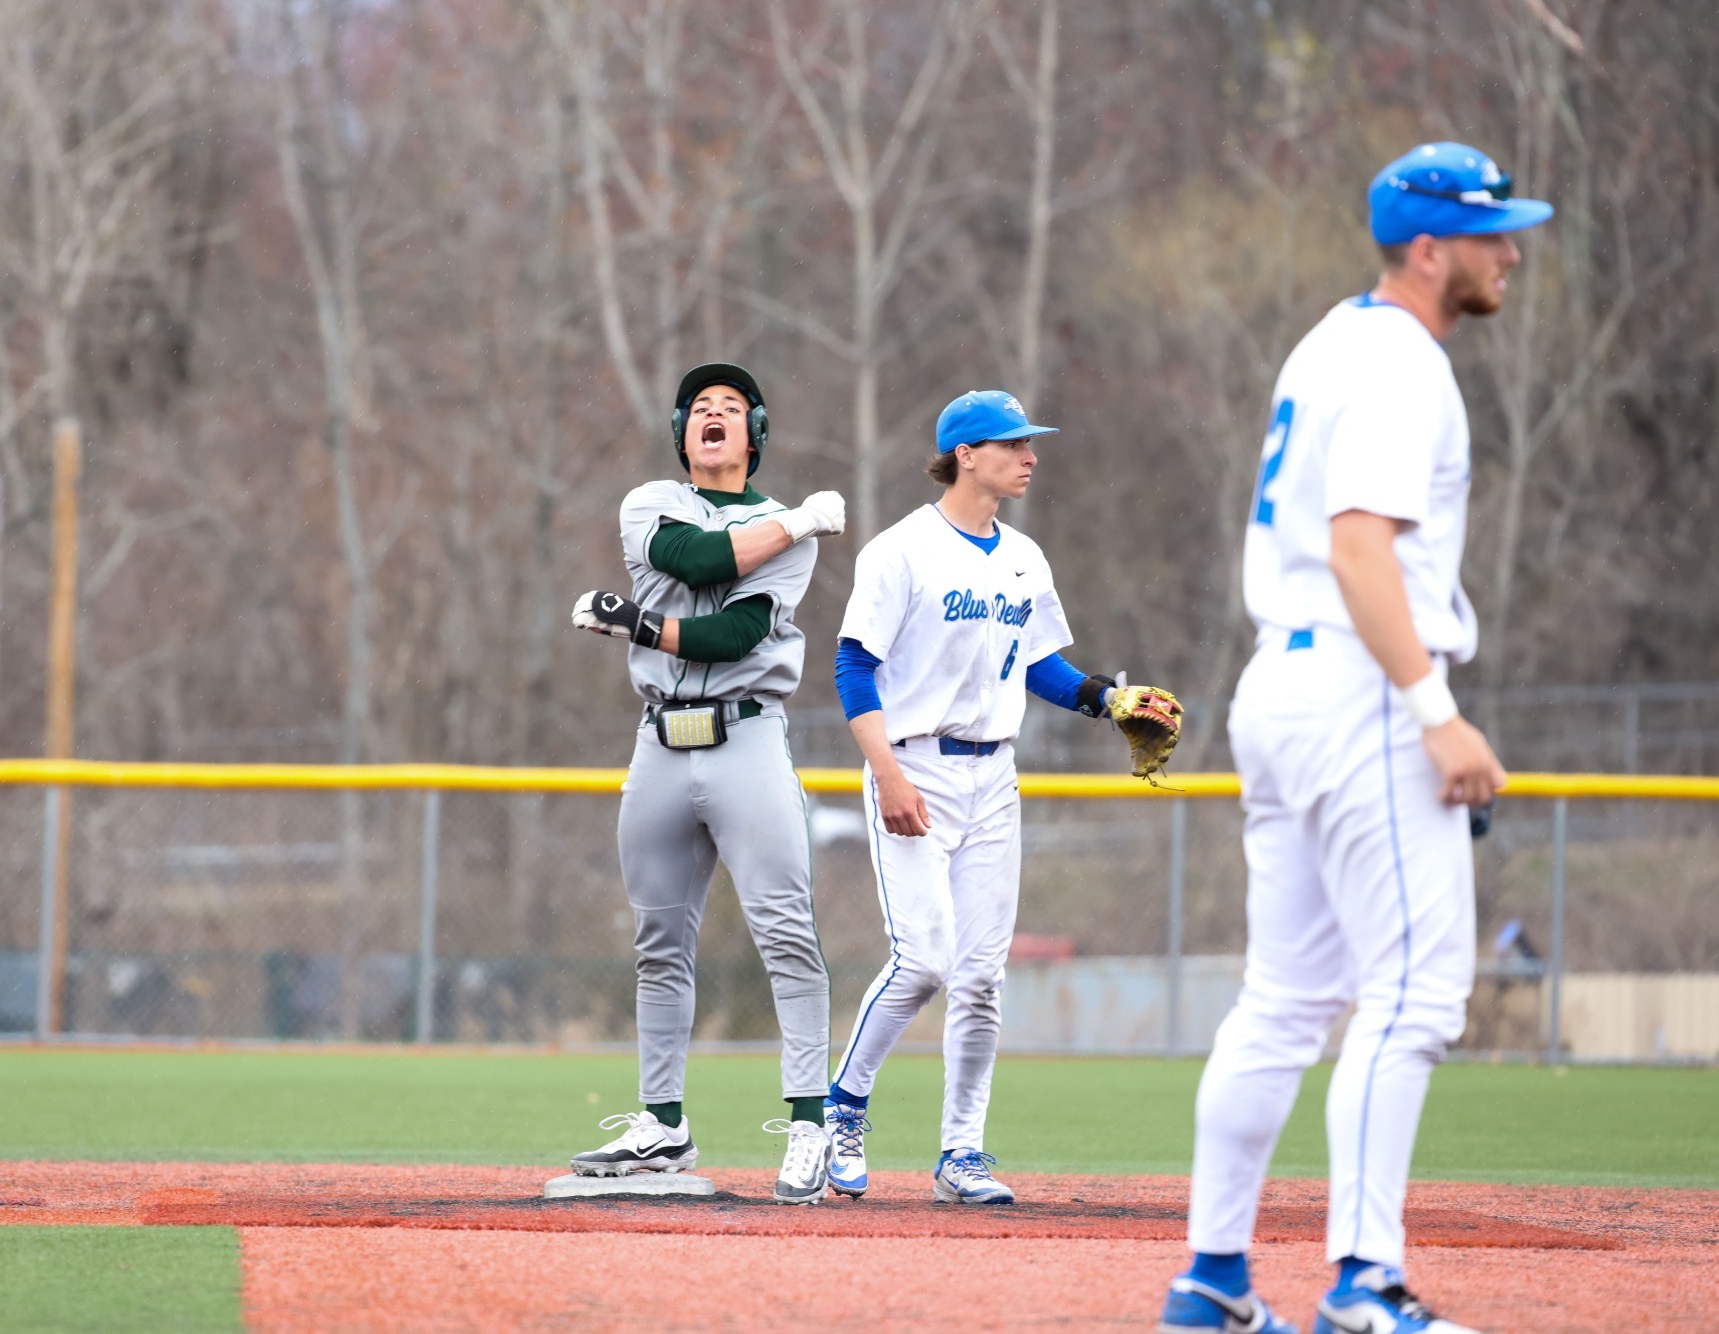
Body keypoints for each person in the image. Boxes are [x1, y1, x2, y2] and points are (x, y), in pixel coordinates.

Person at [1158, 143, 1549, 1334]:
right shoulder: (1397, 361)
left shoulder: (1329, 340)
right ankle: (1362, 1288)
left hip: (1283, 684)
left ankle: (1212, 1280)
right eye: (1489, 235)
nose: (1509, 252)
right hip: (1363, 690)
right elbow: (1359, 547)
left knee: (1281, 998)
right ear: (1428, 248)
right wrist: (1434, 711)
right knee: (1416, 995)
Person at [824, 390, 1183, 1205]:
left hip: (994, 778)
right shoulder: (901, 551)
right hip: (915, 764)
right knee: (922, 962)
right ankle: (842, 1109)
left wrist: (1104, 700)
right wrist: (886, 773)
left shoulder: (1024, 555)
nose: (1029, 456)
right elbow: (853, 666)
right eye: (1011, 443)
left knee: (981, 977)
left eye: (1030, 443)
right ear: (964, 455)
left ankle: (962, 1153)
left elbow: (1039, 664)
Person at [569, 362, 848, 1204]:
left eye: (732, 407)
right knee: (658, 940)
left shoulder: (780, 525)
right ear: (682, 431)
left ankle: (810, 1124)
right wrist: (798, 523)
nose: (714, 415)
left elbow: (731, 634)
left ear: (755, 432)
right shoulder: (650, 500)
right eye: (701, 408)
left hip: (748, 739)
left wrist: (636, 622)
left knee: (784, 931)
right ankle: (662, 1125)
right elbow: (692, 556)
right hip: (658, 741)